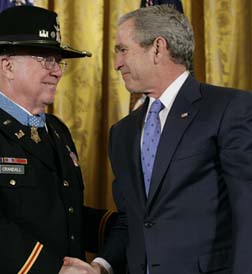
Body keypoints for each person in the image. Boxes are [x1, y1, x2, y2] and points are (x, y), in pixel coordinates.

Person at [65, 4, 252, 274]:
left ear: (157, 47)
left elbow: (247, 208)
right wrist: (101, 265)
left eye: (122, 49)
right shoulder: (122, 133)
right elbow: (133, 219)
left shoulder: (228, 108)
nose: (117, 63)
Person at [0, 5, 115, 274]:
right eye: (45, 59)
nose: (57, 71)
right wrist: (52, 269)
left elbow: (64, 213)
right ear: (7, 66)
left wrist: (123, 225)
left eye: (58, 61)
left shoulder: (57, 130)